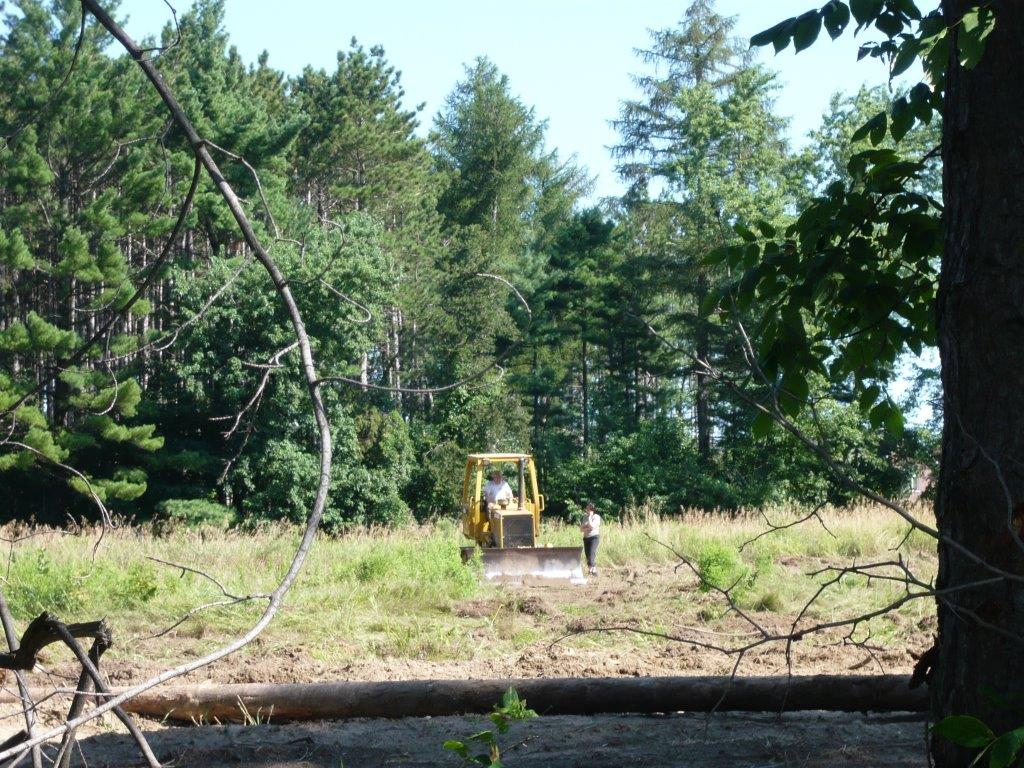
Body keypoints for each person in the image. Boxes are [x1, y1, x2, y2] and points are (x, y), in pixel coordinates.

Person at [580, 501, 601, 576]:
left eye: (589, 509)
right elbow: (581, 529)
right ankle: (590, 570)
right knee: (587, 555)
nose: (587, 510)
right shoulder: (584, 517)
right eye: (587, 509)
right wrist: (587, 527)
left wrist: (589, 519)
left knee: (592, 553)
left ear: (592, 510)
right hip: (586, 538)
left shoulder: (596, 517)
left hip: (594, 538)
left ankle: (594, 570)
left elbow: (592, 526)